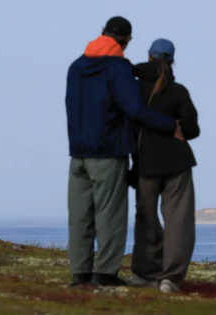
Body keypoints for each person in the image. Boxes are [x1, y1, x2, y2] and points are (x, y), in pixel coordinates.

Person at [65, 17, 184, 287]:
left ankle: (80, 274)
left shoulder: (76, 67)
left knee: (80, 216)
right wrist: (169, 125)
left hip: (78, 154)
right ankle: (105, 274)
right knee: (109, 215)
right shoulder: (118, 69)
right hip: (107, 152)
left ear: (102, 34)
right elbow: (135, 109)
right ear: (127, 40)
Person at [128, 38, 200, 293]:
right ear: (172, 60)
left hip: (144, 162)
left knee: (145, 216)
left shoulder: (133, 89)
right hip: (177, 162)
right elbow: (192, 130)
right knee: (177, 219)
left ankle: (145, 273)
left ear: (148, 56)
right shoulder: (178, 91)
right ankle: (170, 278)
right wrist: (175, 126)